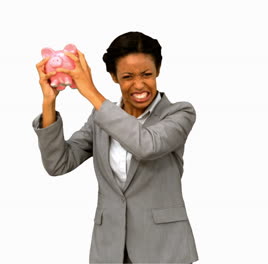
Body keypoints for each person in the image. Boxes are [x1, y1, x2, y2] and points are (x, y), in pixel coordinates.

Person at [32, 31, 198, 264]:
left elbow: (147, 145)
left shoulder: (179, 113)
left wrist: (90, 91)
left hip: (164, 249)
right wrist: (49, 102)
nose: (139, 84)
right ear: (114, 76)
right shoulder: (101, 117)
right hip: (110, 250)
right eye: (128, 76)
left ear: (158, 71)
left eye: (147, 74)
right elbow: (58, 164)